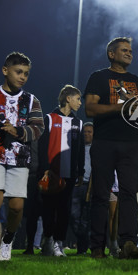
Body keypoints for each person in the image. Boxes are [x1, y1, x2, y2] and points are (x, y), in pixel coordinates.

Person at [0, 52, 44, 262]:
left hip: (20, 157)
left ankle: (8, 240)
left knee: (16, 206)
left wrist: (19, 132)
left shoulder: (32, 100)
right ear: (5, 71)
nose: (22, 77)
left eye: (26, 74)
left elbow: (39, 128)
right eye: (18, 72)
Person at [84, 37, 138, 259]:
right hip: (104, 141)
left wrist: (135, 102)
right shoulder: (99, 77)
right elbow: (90, 109)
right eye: (124, 50)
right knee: (101, 195)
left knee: (129, 194)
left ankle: (129, 244)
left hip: (131, 143)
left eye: (131, 50)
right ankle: (97, 247)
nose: (129, 53)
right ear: (111, 54)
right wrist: (121, 106)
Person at [37, 85, 85, 257]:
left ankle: (59, 243)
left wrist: (80, 171)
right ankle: (48, 240)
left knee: (64, 209)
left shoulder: (78, 123)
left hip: (69, 173)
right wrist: (44, 169)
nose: (80, 103)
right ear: (68, 99)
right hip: (50, 173)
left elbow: (79, 150)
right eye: (78, 98)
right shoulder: (49, 118)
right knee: (49, 208)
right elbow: (42, 147)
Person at [70, 122, 93, 255]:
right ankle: (82, 242)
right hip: (76, 185)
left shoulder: (96, 149)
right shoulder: (76, 148)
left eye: (89, 131)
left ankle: (82, 247)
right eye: (85, 131)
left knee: (85, 218)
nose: (86, 134)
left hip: (89, 186)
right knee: (73, 216)